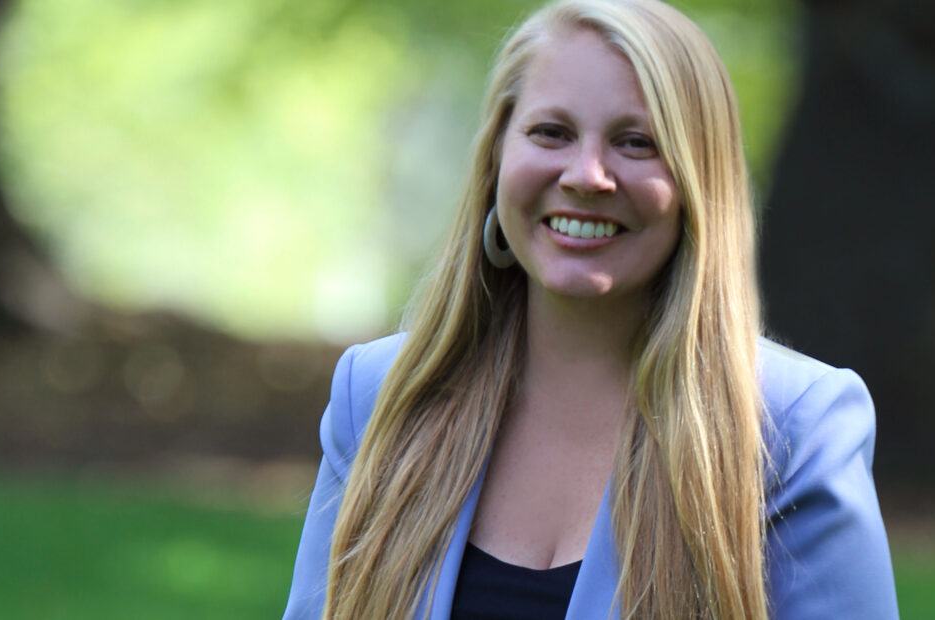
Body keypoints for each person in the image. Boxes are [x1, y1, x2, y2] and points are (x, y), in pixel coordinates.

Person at [283, 0, 898, 618]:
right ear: (496, 156)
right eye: (551, 132)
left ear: (697, 186)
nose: (587, 175)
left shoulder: (794, 428)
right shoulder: (379, 395)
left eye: (636, 143)